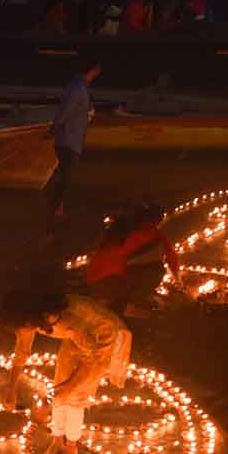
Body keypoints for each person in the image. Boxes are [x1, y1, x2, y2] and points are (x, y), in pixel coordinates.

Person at [0, 284, 131, 454]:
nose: (20, 332)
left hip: (101, 340)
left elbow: (91, 361)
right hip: (76, 339)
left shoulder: (63, 319)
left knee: (74, 397)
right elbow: (22, 351)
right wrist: (11, 388)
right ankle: (57, 438)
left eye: (20, 327)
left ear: (29, 319)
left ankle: (71, 446)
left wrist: (57, 395)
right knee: (59, 387)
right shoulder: (29, 321)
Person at [85, 205, 181, 318]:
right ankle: (125, 306)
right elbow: (171, 257)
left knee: (140, 266)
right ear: (156, 220)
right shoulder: (151, 233)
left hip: (93, 282)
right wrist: (178, 279)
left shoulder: (121, 229)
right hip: (109, 284)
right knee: (158, 269)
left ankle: (115, 300)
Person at [45, 59, 101, 224]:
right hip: (68, 139)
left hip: (71, 137)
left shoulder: (78, 87)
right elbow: (65, 112)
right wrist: (53, 130)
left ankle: (57, 208)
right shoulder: (78, 88)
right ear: (93, 70)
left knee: (64, 175)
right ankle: (55, 211)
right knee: (65, 177)